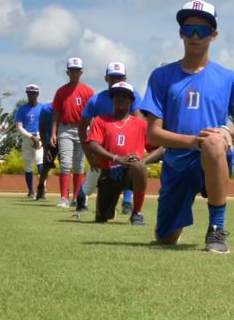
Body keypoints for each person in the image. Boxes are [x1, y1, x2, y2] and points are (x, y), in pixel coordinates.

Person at [140, 0, 234, 253]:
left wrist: (226, 131)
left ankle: (216, 230)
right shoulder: (162, 76)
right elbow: (154, 132)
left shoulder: (228, 78)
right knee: (165, 239)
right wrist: (193, 142)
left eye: (202, 30)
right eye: (189, 29)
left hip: (214, 157)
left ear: (214, 35)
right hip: (177, 162)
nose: (195, 36)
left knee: (213, 143)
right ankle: (172, 224)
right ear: (181, 33)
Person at [84, 82, 163, 224]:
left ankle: (136, 212)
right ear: (112, 99)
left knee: (139, 167)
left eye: (125, 96)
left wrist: (143, 160)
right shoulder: (100, 120)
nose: (120, 99)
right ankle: (109, 207)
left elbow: (161, 148)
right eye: (116, 96)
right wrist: (116, 158)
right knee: (102, 218)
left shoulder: (141, 124)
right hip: (110, 173)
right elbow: (93, 145)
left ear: (132, 100)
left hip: (132, 171)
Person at [80, 61, 139, 214]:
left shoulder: (133, 95)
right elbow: (82, 127)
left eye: (119, 77)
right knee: (90, 187)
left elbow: (139, 122)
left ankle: (127, 202)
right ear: (106, 78)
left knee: (133, 168)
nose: (116, 80)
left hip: (126, 147)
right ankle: (82, 197)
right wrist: (88, 155)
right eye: (112, 77)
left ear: (125, 78)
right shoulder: (96, 100)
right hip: (103, 151)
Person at [51, 58, 94, 209]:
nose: (74, 73)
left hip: (82, 129)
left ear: (81, 72)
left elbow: (93, 115)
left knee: (79, 165)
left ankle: (77, 197)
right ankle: (64, 198)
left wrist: (92, 131)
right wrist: (53, 133)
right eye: (72, 70)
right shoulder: (61, 91)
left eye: (77, 70)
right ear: (67, 72)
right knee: (66, 164)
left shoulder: (88, 91)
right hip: (65, 129)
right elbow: (55, 113)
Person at [13, 85, 45, 198]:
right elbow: (19, 127)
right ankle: (31, 191)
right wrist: (31, 137)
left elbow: (48, 124)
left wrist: (41, 137)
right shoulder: (22, 109)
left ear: (38, 94)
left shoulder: (43, 108)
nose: (32, 95)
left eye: (34, 93)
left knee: (40, 162)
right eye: (29, 93)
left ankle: (42, 190)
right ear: (27, 94)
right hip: (27, 137)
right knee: (28, 165)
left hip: (40, 137)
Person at [35, 99, 56, 201]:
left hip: (64, 140)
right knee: (46, 167)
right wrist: (45, 146)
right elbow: (42, 128)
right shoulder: (46, 109)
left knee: (66, 166)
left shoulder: (66, 108)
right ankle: (40, 188)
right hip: (49, 142)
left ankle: (66, 194)